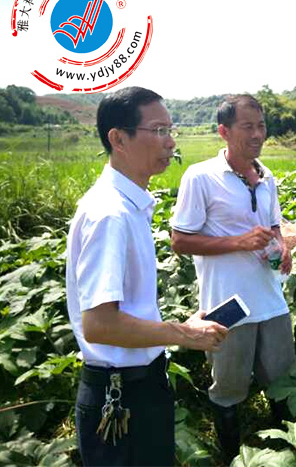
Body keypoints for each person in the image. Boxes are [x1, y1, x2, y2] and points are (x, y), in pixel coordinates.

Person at [66, 86, 228, 466]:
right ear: (118, 139)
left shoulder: (129, 204)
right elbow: (100, 325)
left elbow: (125, 310)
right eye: (157, 131)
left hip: (140, 383)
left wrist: (182, 327)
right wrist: (184, 334)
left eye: (170, 130)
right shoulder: (110, 214)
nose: (170, 141)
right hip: (120, 394)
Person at [170, 94, 296, 462]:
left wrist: (283, 246)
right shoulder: (201, 177)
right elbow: (180, 240)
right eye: (248, 127)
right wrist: (237, 242)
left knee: (282, 379)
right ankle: (231, 455)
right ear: (224, 131)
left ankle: (286, 448)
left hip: (271, 299)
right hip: (227, 304)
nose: (258, 134)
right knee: (228, 386)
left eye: (261, 126)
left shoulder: (267, 175)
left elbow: (273, 225)